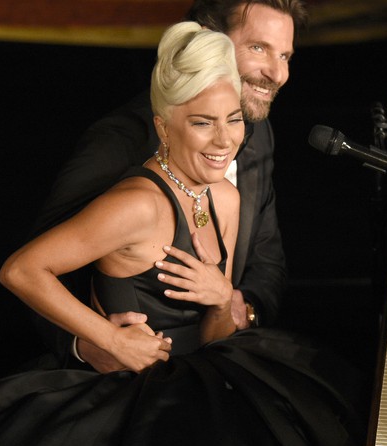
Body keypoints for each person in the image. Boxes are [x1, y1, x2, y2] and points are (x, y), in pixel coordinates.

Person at [0, 22, 364, 446]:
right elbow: (21, 270)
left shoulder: (227, 198)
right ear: (163, 128)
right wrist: (110, 338)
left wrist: (220, 297)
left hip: (205, 380)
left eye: (232, 120)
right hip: (129, 394)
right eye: (201, 123)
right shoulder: (136, 204)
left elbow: (216, 339)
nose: (224, 139)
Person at [29, 0, 307, 373]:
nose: (277, 73)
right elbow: (39, 262)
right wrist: (89, 343)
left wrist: (237, 307)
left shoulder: (255, 133)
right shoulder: (119, 143)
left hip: (210, 361)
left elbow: (267, 264)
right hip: (120, 374)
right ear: (208, 41)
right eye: (258, 47)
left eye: (286, 55)